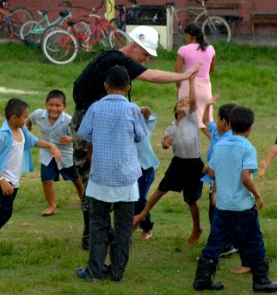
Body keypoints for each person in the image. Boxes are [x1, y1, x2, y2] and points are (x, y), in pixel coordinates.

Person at [71, 25, 199, 251]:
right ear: (136, 45)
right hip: (89, 126)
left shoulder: (110, 58)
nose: (146, 59)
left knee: (100, 179)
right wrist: (184, 75)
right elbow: (151, 75)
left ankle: (97, 233)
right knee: (93, 180)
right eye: (146, 54)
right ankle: (92, 235)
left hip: (95, 122)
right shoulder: (119, 61)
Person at [193, 106, 277, 293]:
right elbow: (245, 177)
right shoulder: (248, 148)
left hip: (223, 205)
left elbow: (213, 173)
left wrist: (215, 192)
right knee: (254, 241)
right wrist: (258, 195)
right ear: (250, 127)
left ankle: (202, 278)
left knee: (215, 242)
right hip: (242, 206)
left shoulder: (219, 146)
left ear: (230, 124)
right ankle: (261, 280)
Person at [0, 98, 62, 262]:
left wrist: (51, 146)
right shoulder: (2, 135)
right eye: (24, 117)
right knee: (3, 212)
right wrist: (2, 180)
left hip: (13, 182)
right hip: (3, 182)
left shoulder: (21, 130)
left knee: (0, 213)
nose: (27, 120)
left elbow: (34, 141)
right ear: (13, 118)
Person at [75, 66, 148, 281]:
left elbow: (86, 139)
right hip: (126, 179)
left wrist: (93, 159)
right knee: (124, 228)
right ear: (128, 87)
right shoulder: (133, 110)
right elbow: (140, 136)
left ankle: (95, 271)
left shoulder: (95, 108)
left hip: (100, 176)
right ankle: (117, 272)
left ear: (105, 86)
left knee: (98, 224)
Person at [134, 69, 205, 246]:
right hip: (178, 163)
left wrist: (190, 81)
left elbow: (194, 101)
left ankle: (197, 228)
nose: (184, 103)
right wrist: (165, 145)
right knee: (161, 189)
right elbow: (166, 145)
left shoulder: (192, 119)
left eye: (186, 102)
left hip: (194, 164)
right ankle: (142, 215)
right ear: (175, 109)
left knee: (191, 199)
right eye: (180, 102)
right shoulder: (171, 127)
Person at [201, 99, 251, 275]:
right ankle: (225, 247)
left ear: (225, 122)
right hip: (219, 185)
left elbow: (220, 171)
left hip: (224, 187)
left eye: (218, 118)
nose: (216, 120)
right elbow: (206, 122)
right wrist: (208, 104)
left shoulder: (230, 142)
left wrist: (209, 171)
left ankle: (216, 252)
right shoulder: (217, 131)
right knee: (221, 219)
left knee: (221, 220)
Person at [27, 90, 84, 216]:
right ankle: (52, 206)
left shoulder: (69, 120)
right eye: (50, 105)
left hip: (66, 154)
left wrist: (71, 139)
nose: (53, 108)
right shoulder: (39, 115)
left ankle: (84, 200)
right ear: (45, 104)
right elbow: (30, 119)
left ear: (64, 107)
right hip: (47, 152)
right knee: (46, 179)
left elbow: (81, 135)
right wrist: (28, 126)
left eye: (58, 106)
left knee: (76, 178)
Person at [175, 23, 216, 140]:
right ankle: (216, 142)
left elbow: (178, 73)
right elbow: (211, 69)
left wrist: (178, 88)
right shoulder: (210, 49)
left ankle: (184, 148)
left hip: (188, 86)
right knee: (205, 122)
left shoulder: (183, 50)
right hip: (205, 87)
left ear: (189, 36)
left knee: (184, 118)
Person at [134, 106, 160, 240]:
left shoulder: (143, 126)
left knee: (140, 199)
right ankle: (132, 224)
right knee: (131, 199)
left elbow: (148, 111)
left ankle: (146, 227)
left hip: (145, 168)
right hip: (130, 169)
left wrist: (138, 109)